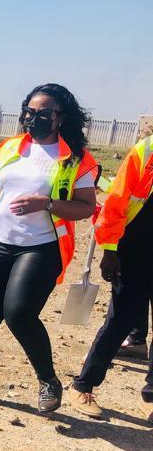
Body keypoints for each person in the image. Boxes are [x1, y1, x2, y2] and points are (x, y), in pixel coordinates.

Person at [0, 83, 98, 412]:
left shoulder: (74, 159)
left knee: (18, 312)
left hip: (40, 247)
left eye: (44, 113)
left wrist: (49, 204)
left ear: (61, 117)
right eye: (30, 111)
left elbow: (86, 207)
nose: (34, 118)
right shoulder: (9, 148)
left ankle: (48, 381)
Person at [68, 134, 153, 417]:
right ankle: (83, 385)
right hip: (134, 249)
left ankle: (151, 396)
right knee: (121, 320)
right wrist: (109, 249)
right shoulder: (146, 151)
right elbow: (117, 200)